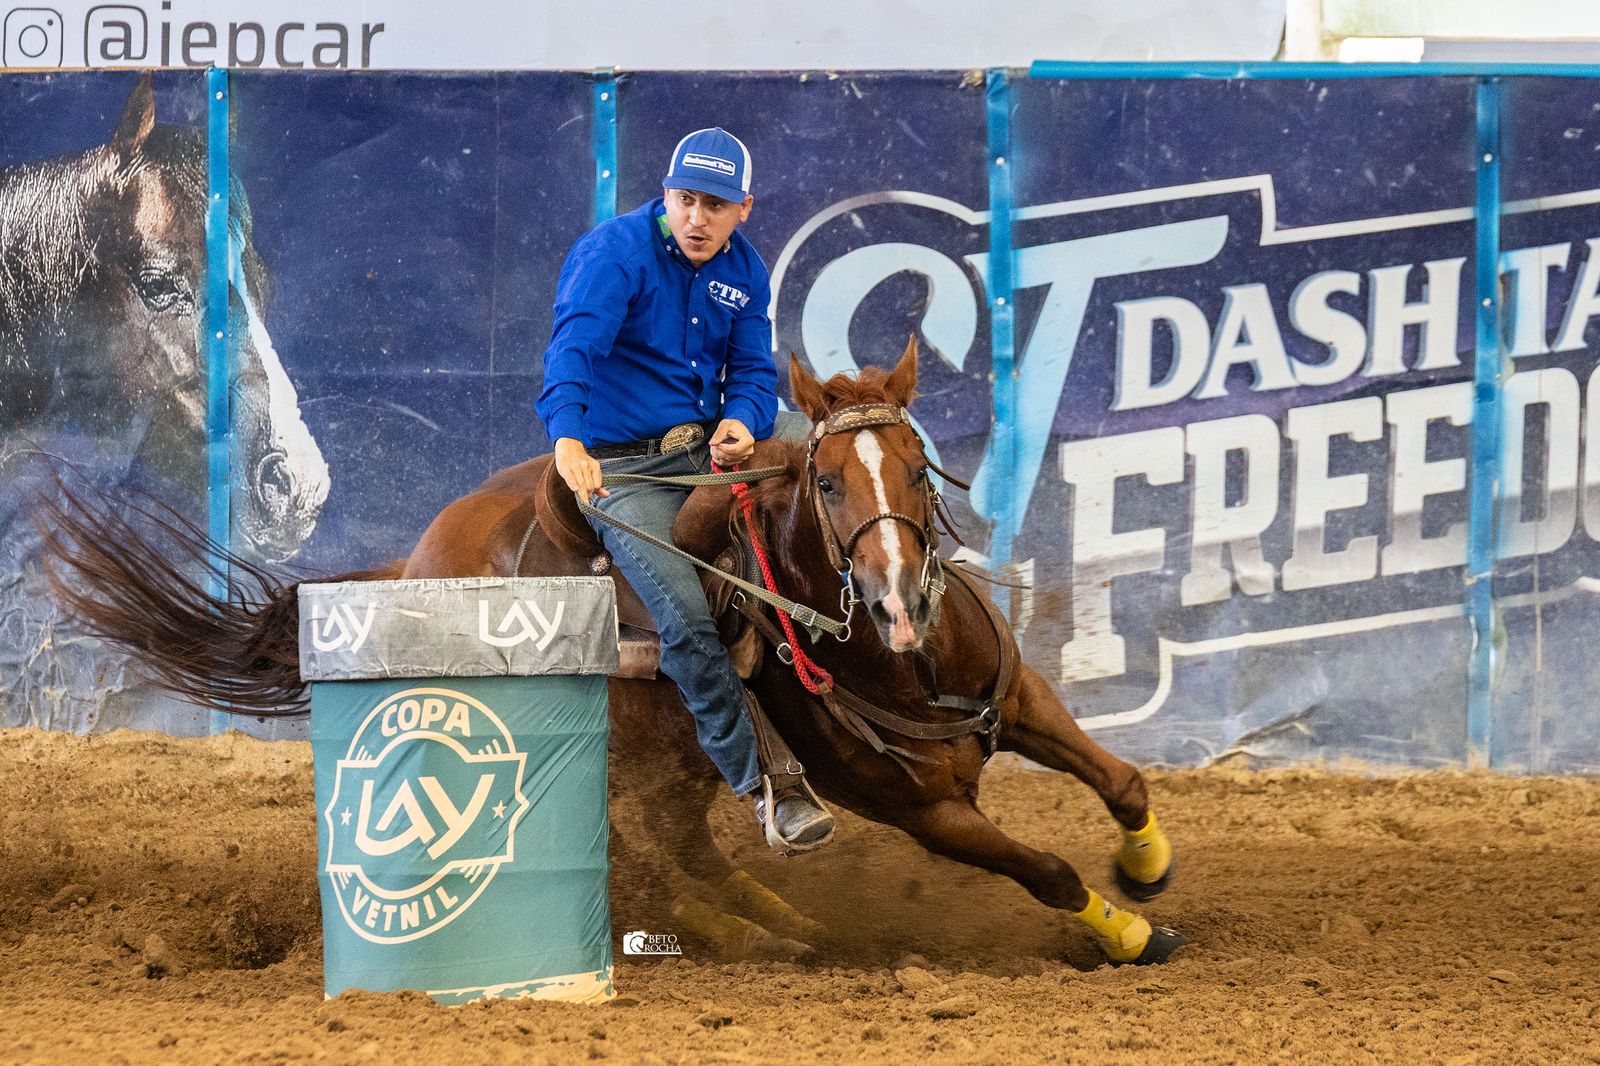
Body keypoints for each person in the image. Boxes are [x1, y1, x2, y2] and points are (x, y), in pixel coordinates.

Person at [536, 127, 833, 854]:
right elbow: (573, 348)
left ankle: (895, 605)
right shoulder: (613, 254)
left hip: (705, 444)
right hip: (622, 466)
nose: (698, 218)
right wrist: (569, 441)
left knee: (841, 448)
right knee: (687, 618)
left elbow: (754, 371)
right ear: (666, 196)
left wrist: (741, 419)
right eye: (686, 199)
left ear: (745, 209)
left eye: (716, 205)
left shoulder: (745, 268)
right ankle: (767, 786)